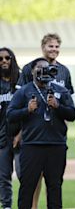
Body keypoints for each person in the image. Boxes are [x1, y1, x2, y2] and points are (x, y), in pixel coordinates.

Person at [7, 57, 75, 209]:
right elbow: (10, 115)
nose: (44, 71)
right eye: (40, 68)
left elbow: (72, 115)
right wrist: (27, 110)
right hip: (32, 146)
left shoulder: (61, 90)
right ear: (32, 71)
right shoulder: (25, 91)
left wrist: (58, 106)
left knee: (55, 187)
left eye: (47, 68)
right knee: (27, 187)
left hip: (56, 145)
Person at [0, 47, 21, 209]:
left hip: (22, 137)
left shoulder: (21, 82)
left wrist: (20, 135)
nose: (4, 61)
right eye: (0, 59)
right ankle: (7, 206)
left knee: (24, 175)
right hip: (2, 138)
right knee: (3, 176)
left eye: (8, 58)